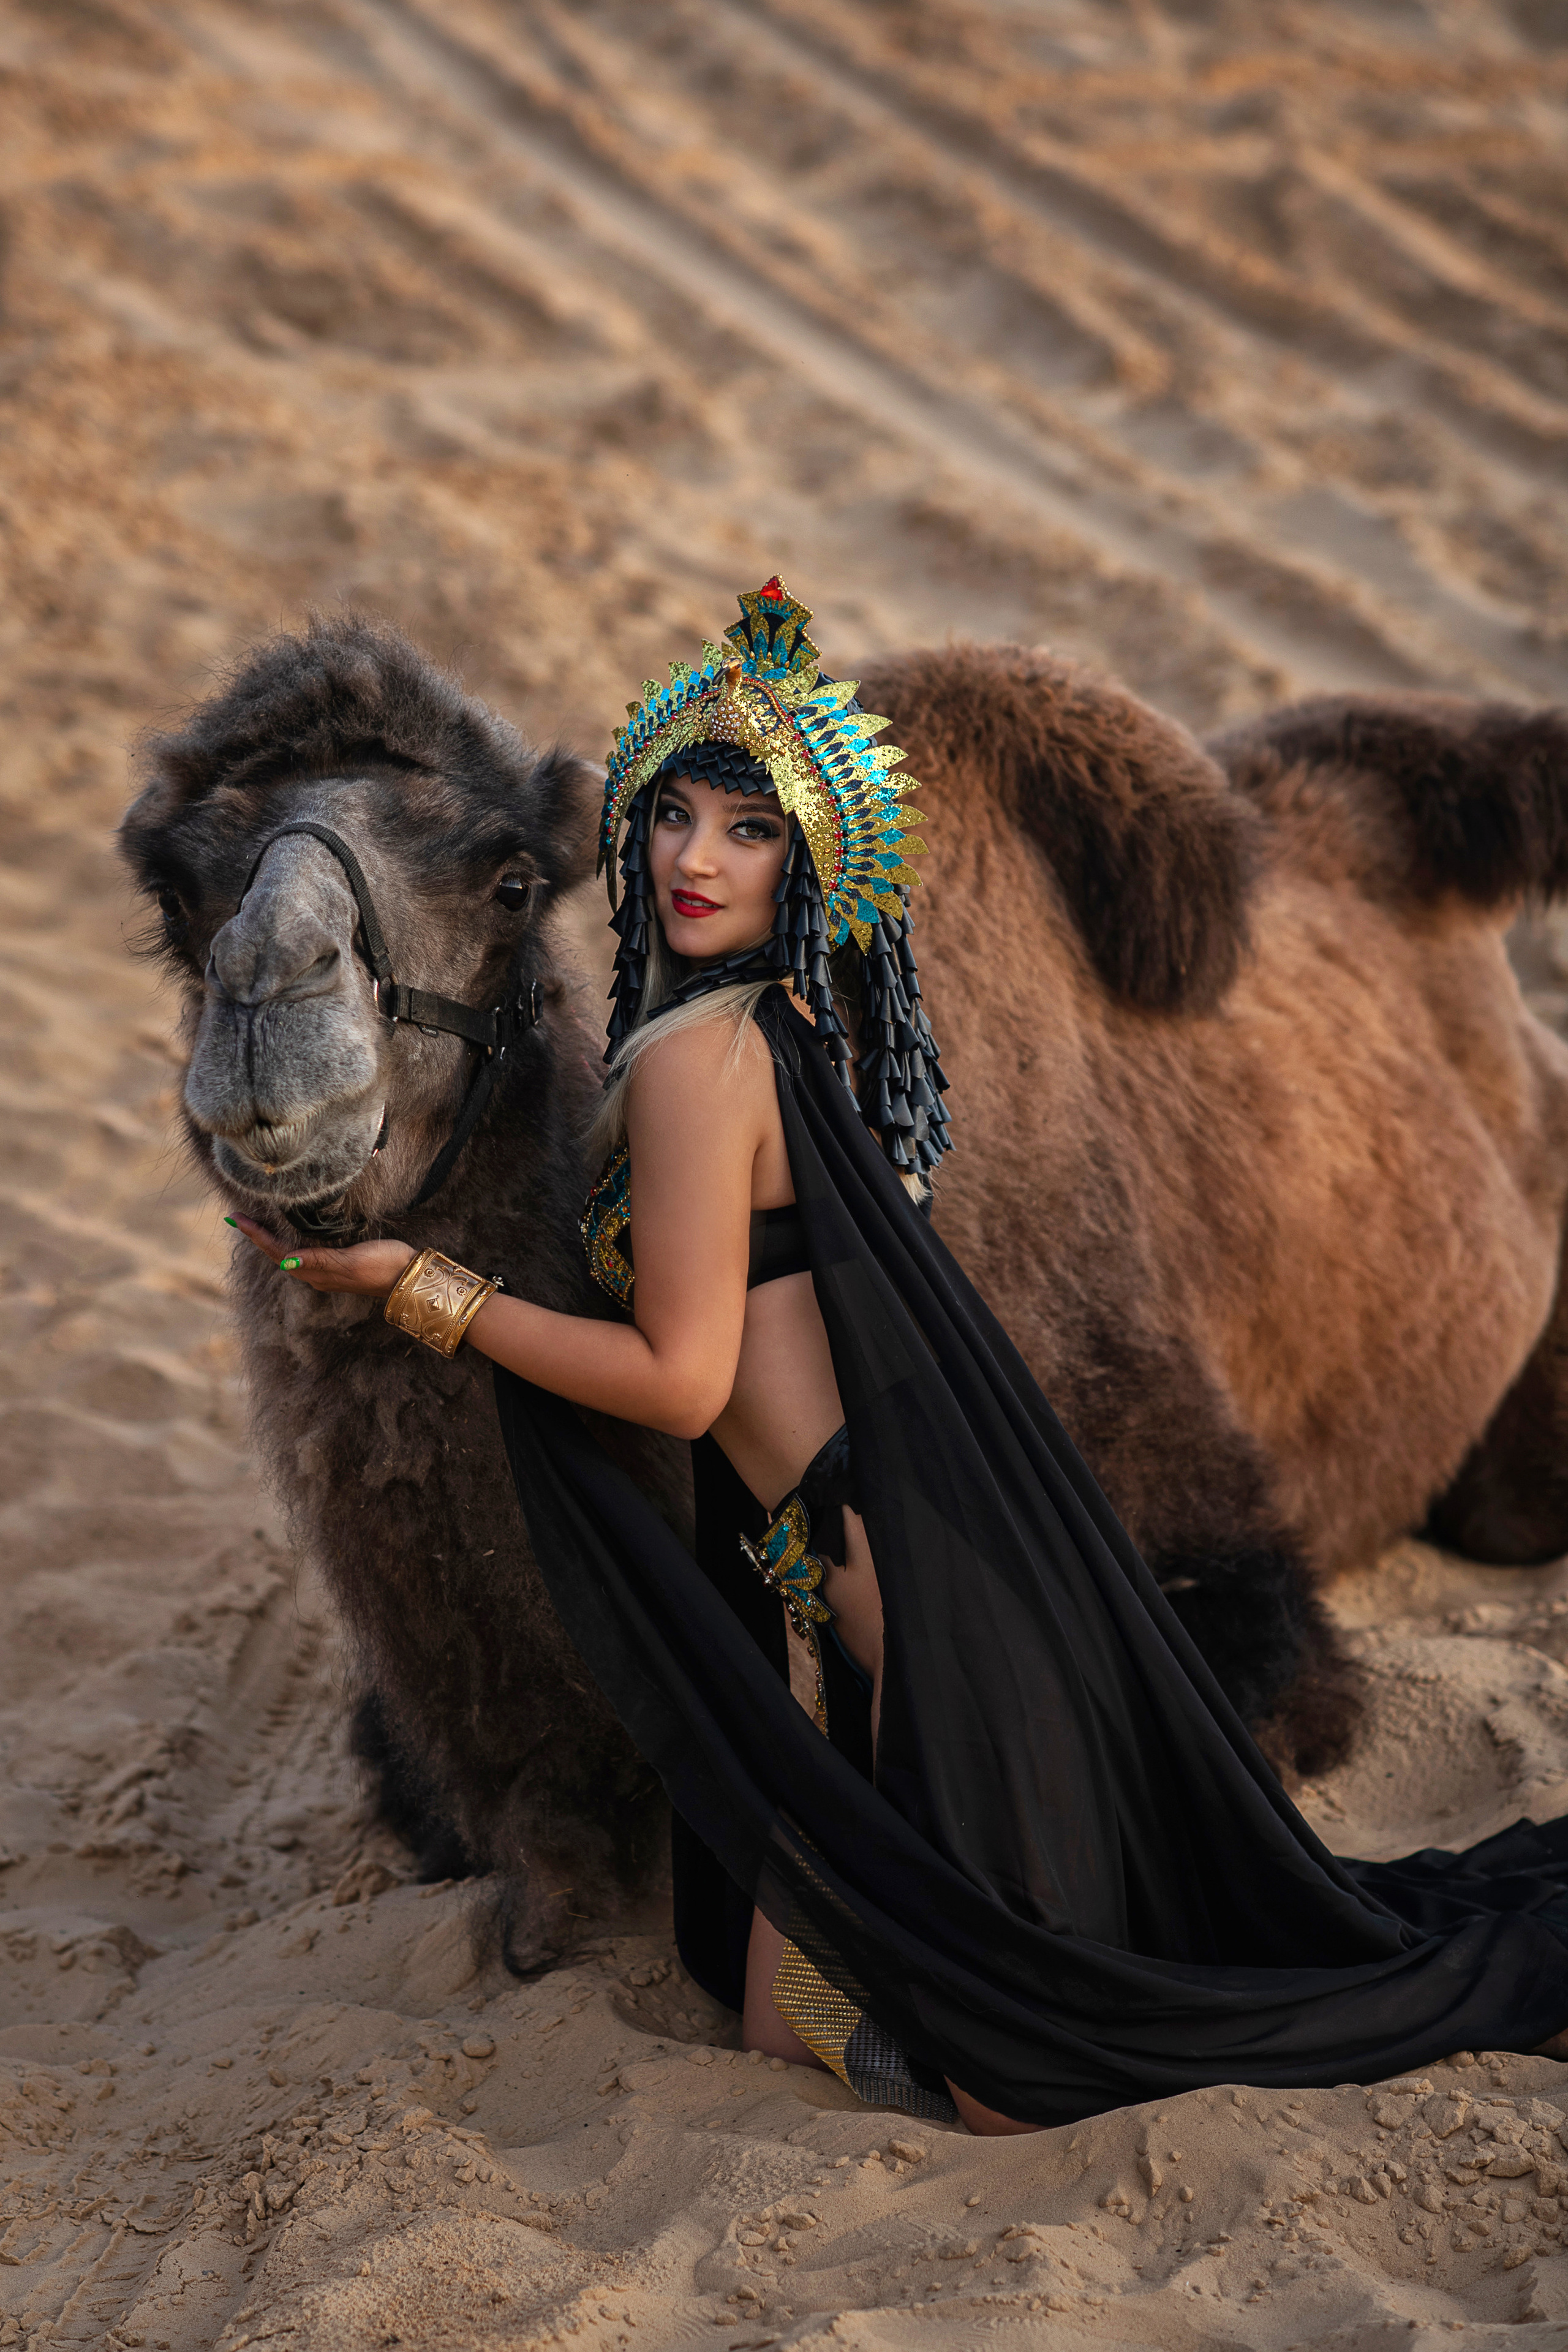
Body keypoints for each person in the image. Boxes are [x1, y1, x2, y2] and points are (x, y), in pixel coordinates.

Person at [236, 578, 1568, 2133]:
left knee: (1015, 2072)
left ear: (800, 856)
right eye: (672, 820)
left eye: (745, 832)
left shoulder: (686, 1065)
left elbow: (678, 1382)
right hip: (867, 1557)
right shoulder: (780, 1015)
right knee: (776, 2011)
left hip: (870, 1590)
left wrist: (423, 1292)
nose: (694, 860)